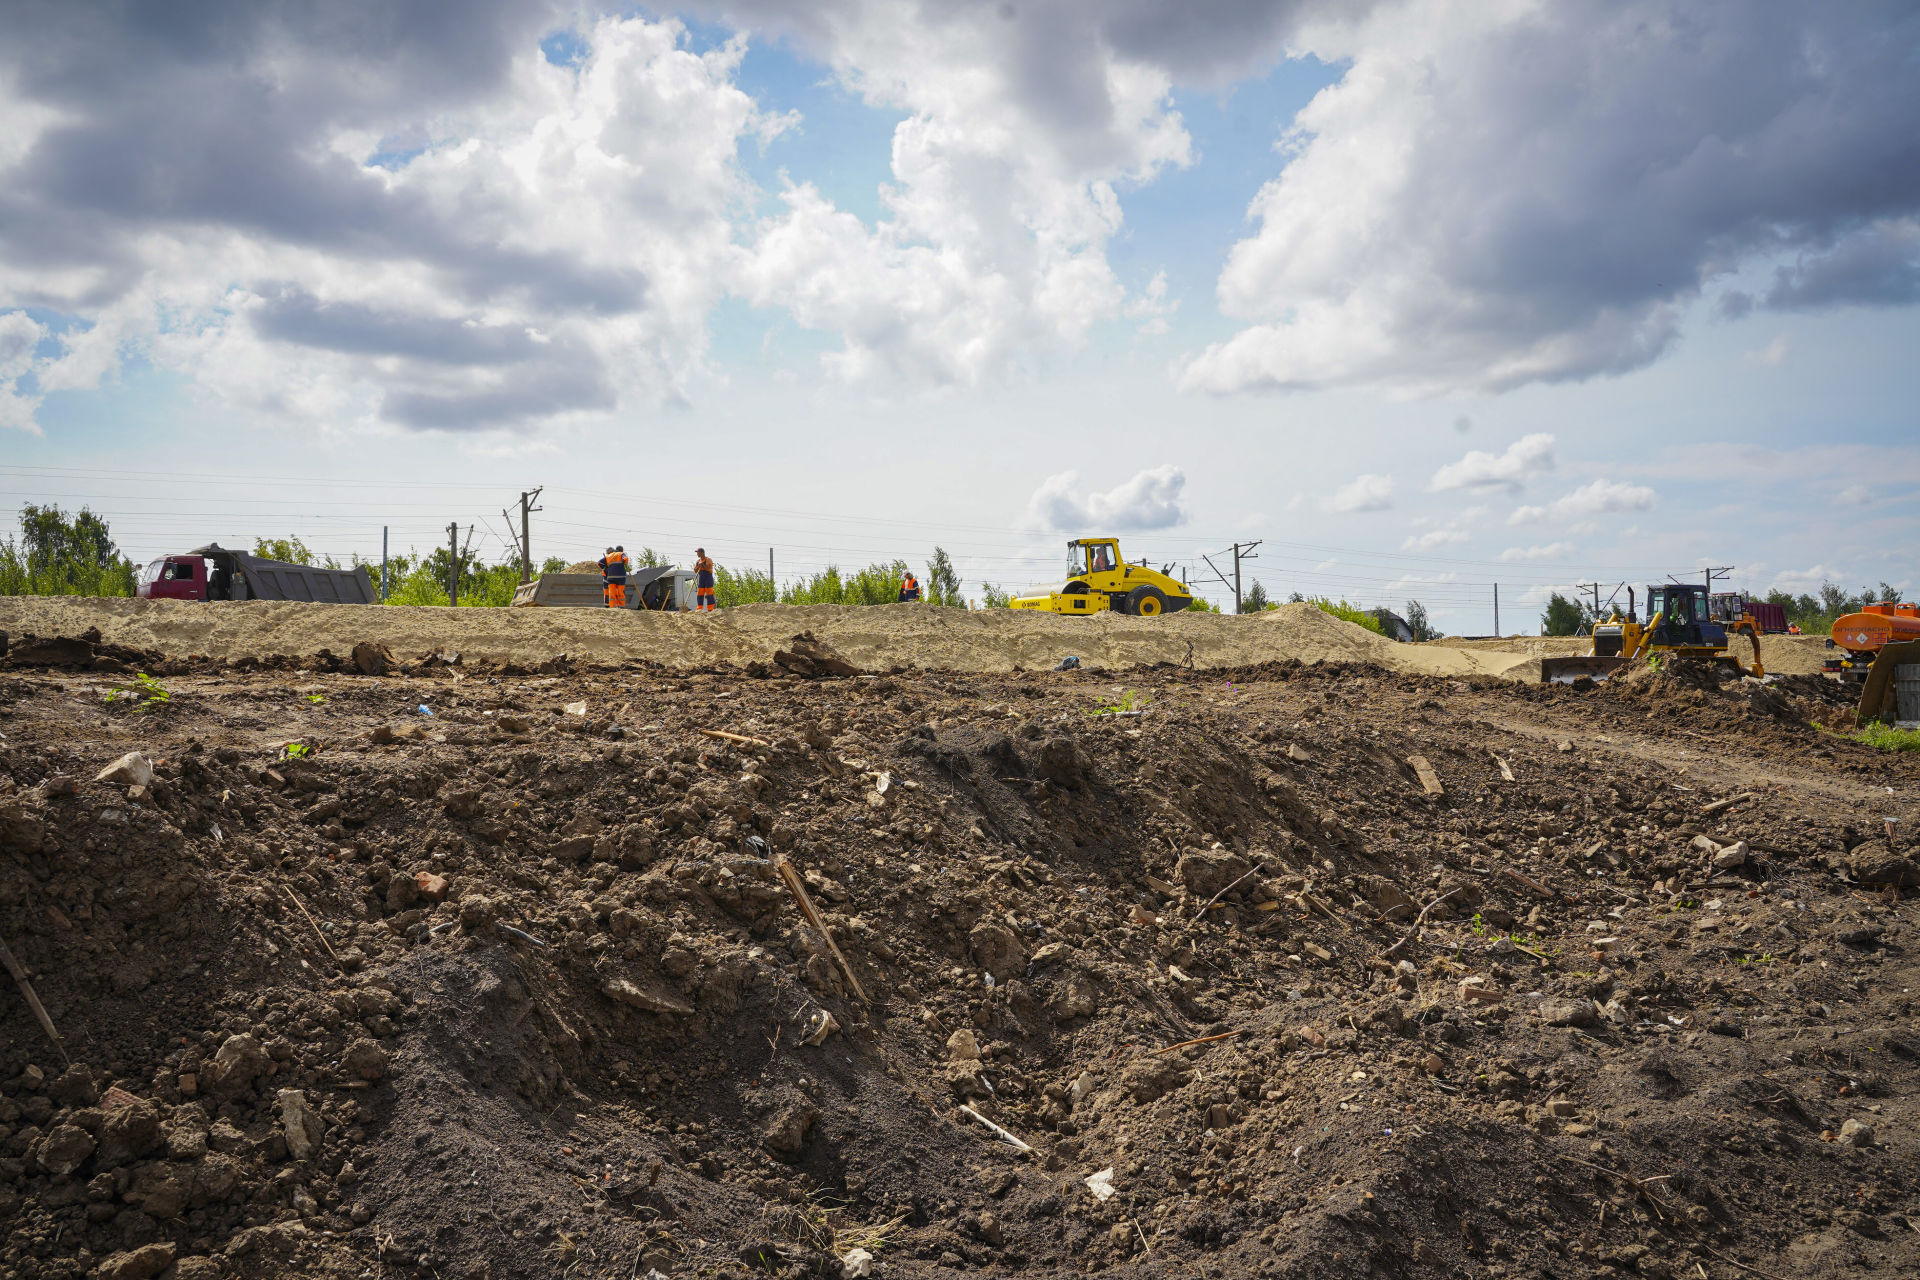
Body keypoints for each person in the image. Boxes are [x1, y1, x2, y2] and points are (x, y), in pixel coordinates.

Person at [693, 547, 716, 611]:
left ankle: (710, 609)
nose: (697, 554)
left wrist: (702, 564)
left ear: (702, 553)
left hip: (708, 577)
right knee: (700, 593)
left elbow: (708, 568)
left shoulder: (708, 560)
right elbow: (695, 570)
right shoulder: (698, 561)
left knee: (709, 593)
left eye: (698, 552)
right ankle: (699, 608)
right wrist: (698, 566)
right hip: (701, 578)